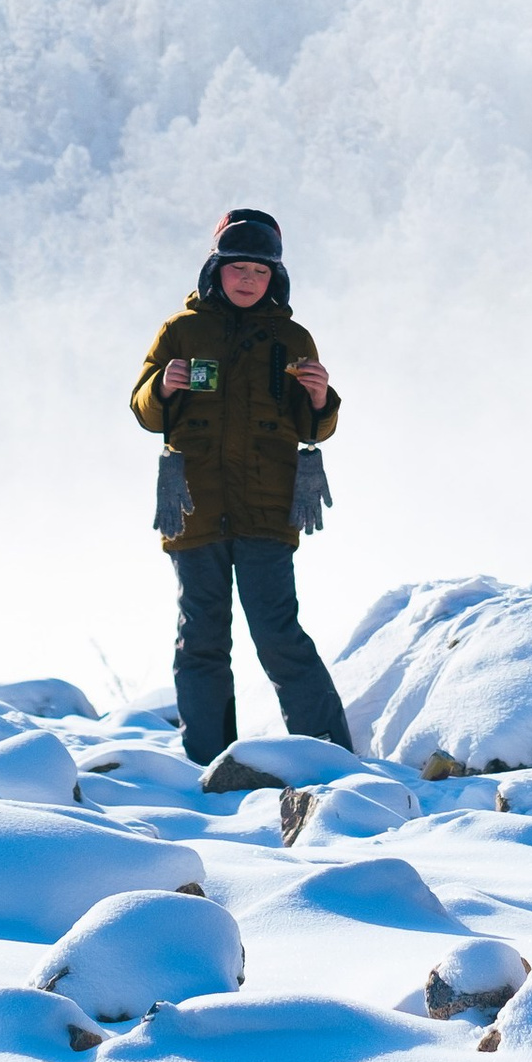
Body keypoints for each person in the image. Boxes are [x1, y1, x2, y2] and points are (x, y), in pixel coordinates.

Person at [130, 206, 353, 765]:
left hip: (268, 508)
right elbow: (145, 412)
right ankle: (210, 763)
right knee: (201, 638)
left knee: (278, 634)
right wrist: (162, 387)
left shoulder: (293, 337)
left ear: (275, 277)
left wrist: (321, 397)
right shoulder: (181, 330)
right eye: (239, 269)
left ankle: (327, 754)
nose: (249, 280)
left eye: (260, 271)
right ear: (216, 269)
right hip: (193, 505)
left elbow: (312, 427)